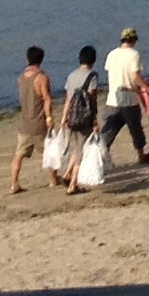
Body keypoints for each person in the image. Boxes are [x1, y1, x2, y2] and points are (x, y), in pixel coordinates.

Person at [100, 24, 149, 167]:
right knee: (136, 129)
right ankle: (141, 155)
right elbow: (135, 76)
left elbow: (109, 73)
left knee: (108, 131)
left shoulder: (111, 54)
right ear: (134, 40)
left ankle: (99, 157)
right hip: (129, 98)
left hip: (113, 97)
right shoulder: (134, 54)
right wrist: (146, 88)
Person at [54, 45, 104, 192]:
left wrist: (64, 118)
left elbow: (68, 99)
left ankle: (67, 174)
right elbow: (92, 99)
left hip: (72, 117)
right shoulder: (92, 76)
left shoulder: (71, 76)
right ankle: (72, 185)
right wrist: (94, 120)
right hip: (84, 119)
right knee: (81, 151)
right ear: (93, 60)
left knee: (77, 148)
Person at [7, 44, 56, 194]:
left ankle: (14, 183)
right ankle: (53, 179)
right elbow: (46, 99)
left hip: (24, 122)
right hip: (38, 122)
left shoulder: (21, 78)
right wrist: (49, 117)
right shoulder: (41, 77)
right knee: (49, 152)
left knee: (19, 154)